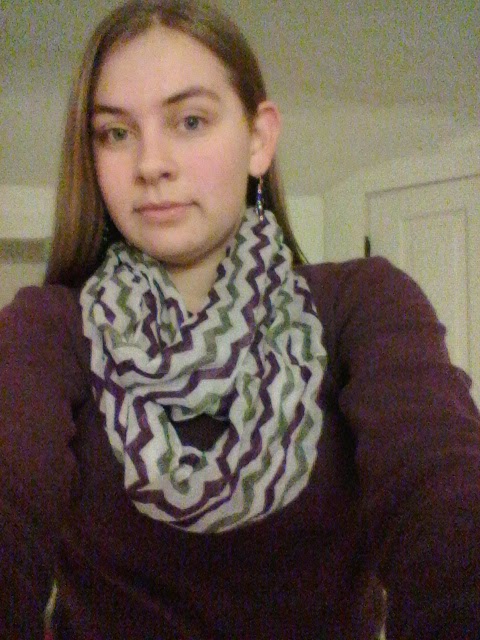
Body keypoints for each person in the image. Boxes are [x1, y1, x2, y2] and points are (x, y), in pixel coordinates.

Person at [1, 1, 479, 638]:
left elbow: (442, 490)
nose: (150, 163)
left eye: (190, 121)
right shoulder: (50, 328)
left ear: (258, 140)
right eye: (115, 133)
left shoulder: (362, 303)